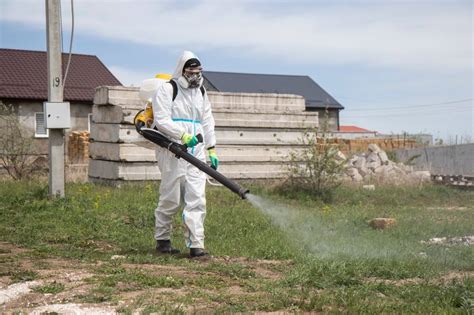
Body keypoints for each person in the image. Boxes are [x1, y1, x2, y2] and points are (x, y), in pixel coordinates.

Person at [151, 51, 218, 258]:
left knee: (197, 196)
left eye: (198, 72)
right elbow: (161, 120)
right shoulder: (167, 89)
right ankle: (163, 240)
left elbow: (207, 121)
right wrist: (182, 135)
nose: (195, 76)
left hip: (196, 149)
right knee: (171, 196)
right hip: (172, 148)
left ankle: (196, 246)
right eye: (191, 72)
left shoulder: (201, 92)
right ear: (182, 71)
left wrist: (211, 148)